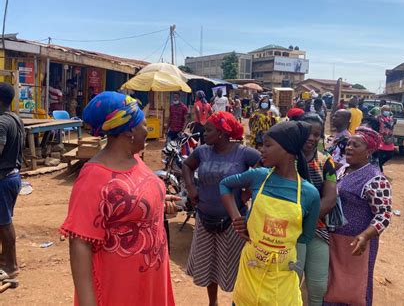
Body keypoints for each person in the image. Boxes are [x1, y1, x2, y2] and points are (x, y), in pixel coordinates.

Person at [60, 92, 177, 306]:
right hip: (120, 285)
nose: (147, 129)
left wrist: (158, 204)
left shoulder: (134, 160)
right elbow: (79, 244)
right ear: (129, 130)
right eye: (143, 123)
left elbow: (134, 200)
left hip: (150, 278)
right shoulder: (93, 177)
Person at [220, 121, 320, 306]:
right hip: (250, 272)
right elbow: (224, 184)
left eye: (267, 145)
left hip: (281, 280)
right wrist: (237, 218)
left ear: (287, 149)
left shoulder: (309, 194)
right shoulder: (259, 176)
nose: (261, 150)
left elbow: (305, 237)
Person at [183, 111, 261, 306]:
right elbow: (186, 166)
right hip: (205, 218)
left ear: (222, 132)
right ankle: (213, 302)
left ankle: (237, 301)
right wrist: (191, 188)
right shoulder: (202, 151)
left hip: (233, 222)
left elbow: (264, 170)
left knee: (235, 266)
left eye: (208, 130)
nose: (204, 134)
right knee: (210, 265)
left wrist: (247, 193)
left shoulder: (243, 153)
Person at [324, 126, 392, 306]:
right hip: (334, 239)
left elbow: (383, 215)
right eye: (349, 144)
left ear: (368, 152)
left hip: (356, 244)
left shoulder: (376, 179)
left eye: (356, 145)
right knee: (332, 287)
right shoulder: (343, 170)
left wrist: (365, 235)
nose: (349, 148)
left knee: (353, 289)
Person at [295, 113, 337, 306]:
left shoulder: (326, 161)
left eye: (317, 134)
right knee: (291, 280)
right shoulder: (286, 157)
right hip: (289, 231)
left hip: (317, 229)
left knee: (318, 285)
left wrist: (307, 221)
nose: (312, 138)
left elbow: (330, 198)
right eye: (308, 133)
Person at [0, 83, 24, 280]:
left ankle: (11, 266)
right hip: (13, 176)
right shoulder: (15, 118)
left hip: (3, 179)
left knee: (4, 223)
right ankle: (4, 259)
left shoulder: (1, 123)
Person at [377, 105, 396, 172]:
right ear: (382, 111)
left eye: (388, 110)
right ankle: (380, 169)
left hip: (389, 139)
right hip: (381, 138)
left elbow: (392, 127)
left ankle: (379, 165)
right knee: (380, 155)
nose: (387, 112)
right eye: (385, 110)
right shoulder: (379, 118)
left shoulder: (390, 118)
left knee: (390, 154)